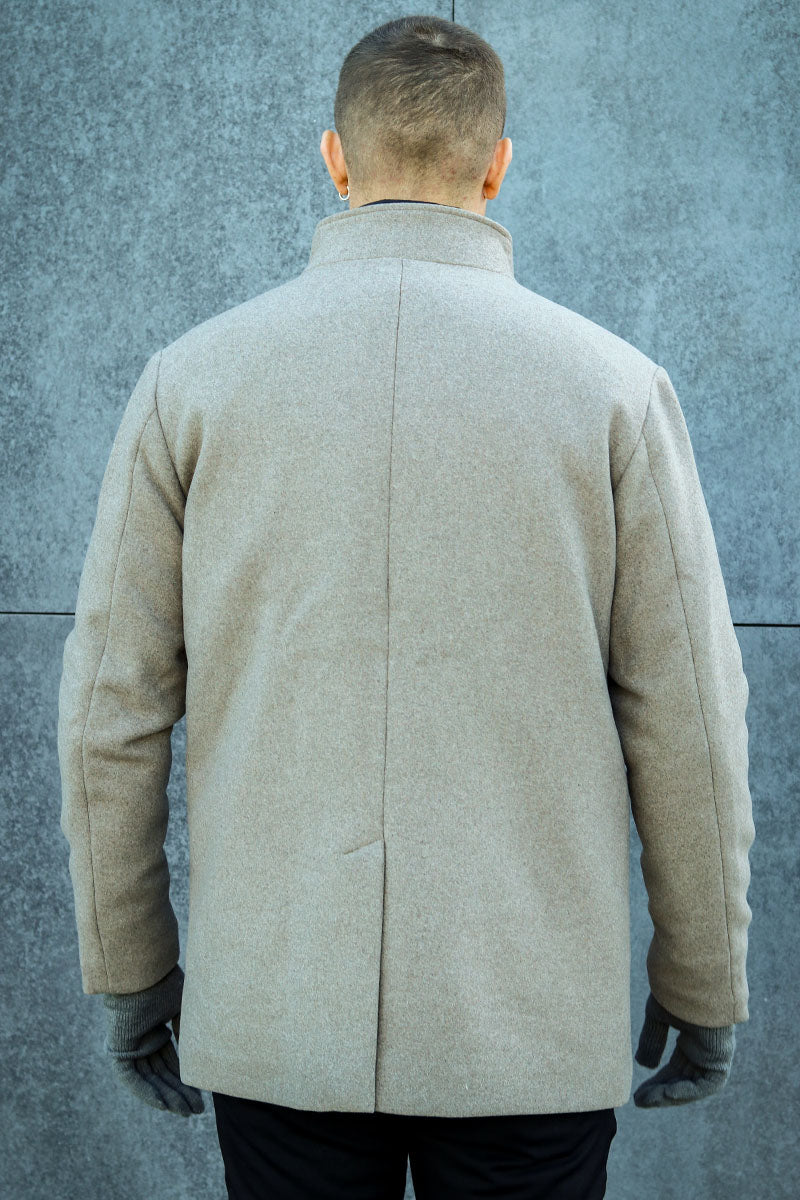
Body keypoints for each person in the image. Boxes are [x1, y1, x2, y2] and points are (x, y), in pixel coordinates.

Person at [57, 13, 755, 1200]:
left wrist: (129, 970)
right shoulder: (615, 392)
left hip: (280, 1013)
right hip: (524, 1027)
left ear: (333, 157)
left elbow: (108, 717)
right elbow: (688, 722)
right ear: (497, 166)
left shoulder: (191, 382)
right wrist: (701, 983)